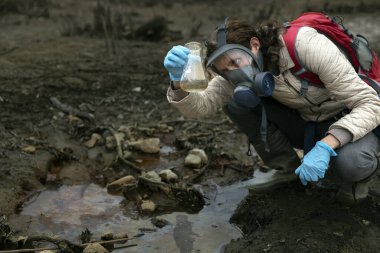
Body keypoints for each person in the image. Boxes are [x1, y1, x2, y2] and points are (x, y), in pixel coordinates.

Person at [163, 17, 380, 203]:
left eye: (235, 61)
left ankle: (355, 181)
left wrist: (325, 146)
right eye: (224, 69)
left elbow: (370, 104)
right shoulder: (231, 75)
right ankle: (287, 170)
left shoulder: (304, 46)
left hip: (352, 117)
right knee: (235, 101)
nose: (233, 71)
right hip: (309, 121)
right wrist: (177, 82)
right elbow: (201, 107)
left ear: (255, 44)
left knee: (352, 163)